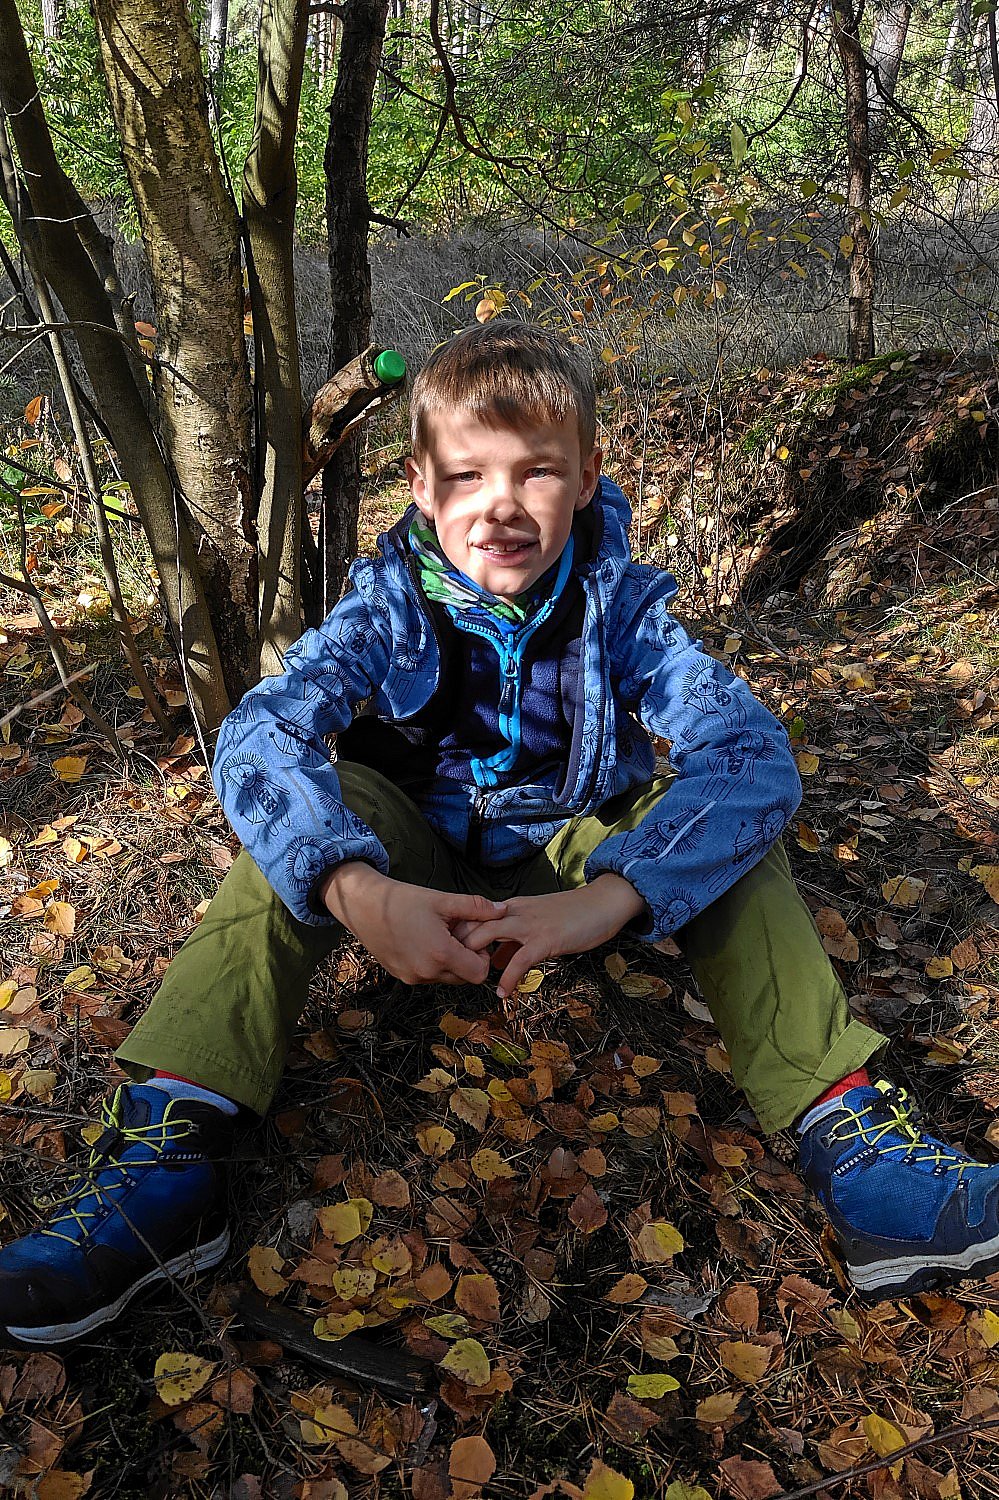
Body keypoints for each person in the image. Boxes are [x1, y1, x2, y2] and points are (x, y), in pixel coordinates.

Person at [2, 320, 997, 1348]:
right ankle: (168, 1161)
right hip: (417, 862)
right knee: (313, 806)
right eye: (467, 476)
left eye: (537, 473)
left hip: (576, 851)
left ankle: (853, 1147)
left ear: (587, 476)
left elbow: (749, 750)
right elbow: (261, 732)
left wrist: (611, 895)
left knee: (732, 824)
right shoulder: (387, 604)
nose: (501, 506)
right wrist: (355, 888)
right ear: (421, 488)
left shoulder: (623, 609)